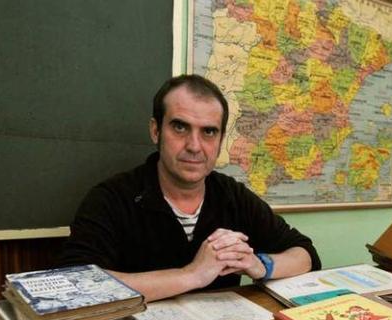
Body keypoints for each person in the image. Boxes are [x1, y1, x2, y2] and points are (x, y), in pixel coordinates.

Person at [59, 75, 321, 301]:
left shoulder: (232, 196)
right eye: (180, 127)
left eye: (208, 132)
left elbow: (305, 254)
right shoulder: (111, 198)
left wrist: (260, 265)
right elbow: (77, 284)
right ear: (155, 131)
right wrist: (191, 275)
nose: (194, 146)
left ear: (219, 141)